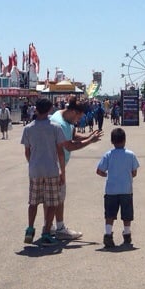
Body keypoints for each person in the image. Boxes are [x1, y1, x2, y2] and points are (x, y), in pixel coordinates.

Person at [48, 98, 103, 240]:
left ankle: (50, 226)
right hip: (55, 166)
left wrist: (88, 136)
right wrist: (90, 141)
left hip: (57, 165)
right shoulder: (58, 123)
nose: (80, 119)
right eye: (79, 116)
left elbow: (72, 135)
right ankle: (59, 228)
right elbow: (69, 145)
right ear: (73, 111)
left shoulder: (66, 119)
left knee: (53, 198)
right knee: (58, 198)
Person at [20, 98, 68, 245]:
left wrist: (32, 163)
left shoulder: (28, 128)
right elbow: (60, 152)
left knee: (33, 202)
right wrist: (62, 171)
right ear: (49, 109)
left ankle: (30, 228)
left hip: (35, 169)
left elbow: (27, 151)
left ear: (36, 109)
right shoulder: (55, 127)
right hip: (51, 169)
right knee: (52, 202)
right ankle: (47, 231)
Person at [96, 127, 141, 248]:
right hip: (126, 189)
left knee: (110, 214)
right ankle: (127, 234)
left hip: (111, 190)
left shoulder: (108, 155)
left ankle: (108, 234)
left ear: (112, 141)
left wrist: (106, 174)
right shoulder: (130, 155)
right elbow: (134, 172)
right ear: (125, 140)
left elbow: (99, 171)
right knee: (127, 214)